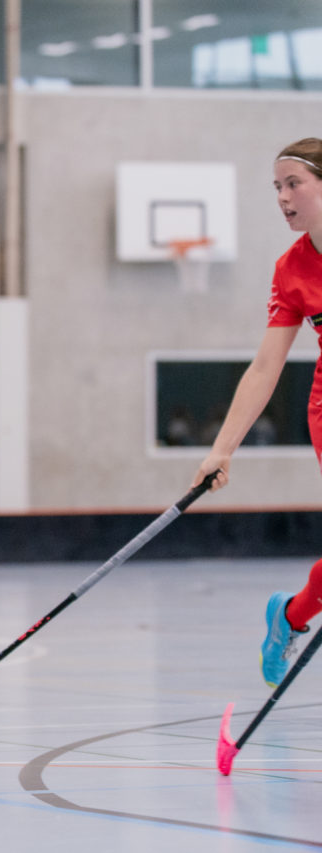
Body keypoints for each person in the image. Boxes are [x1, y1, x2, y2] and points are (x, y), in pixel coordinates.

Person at [192, 137, 322, 689]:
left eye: (294, 184)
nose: (283, 197)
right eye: (277, 187)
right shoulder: (292, 269)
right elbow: (265, 368)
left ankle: (289, 616)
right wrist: (221, 449)